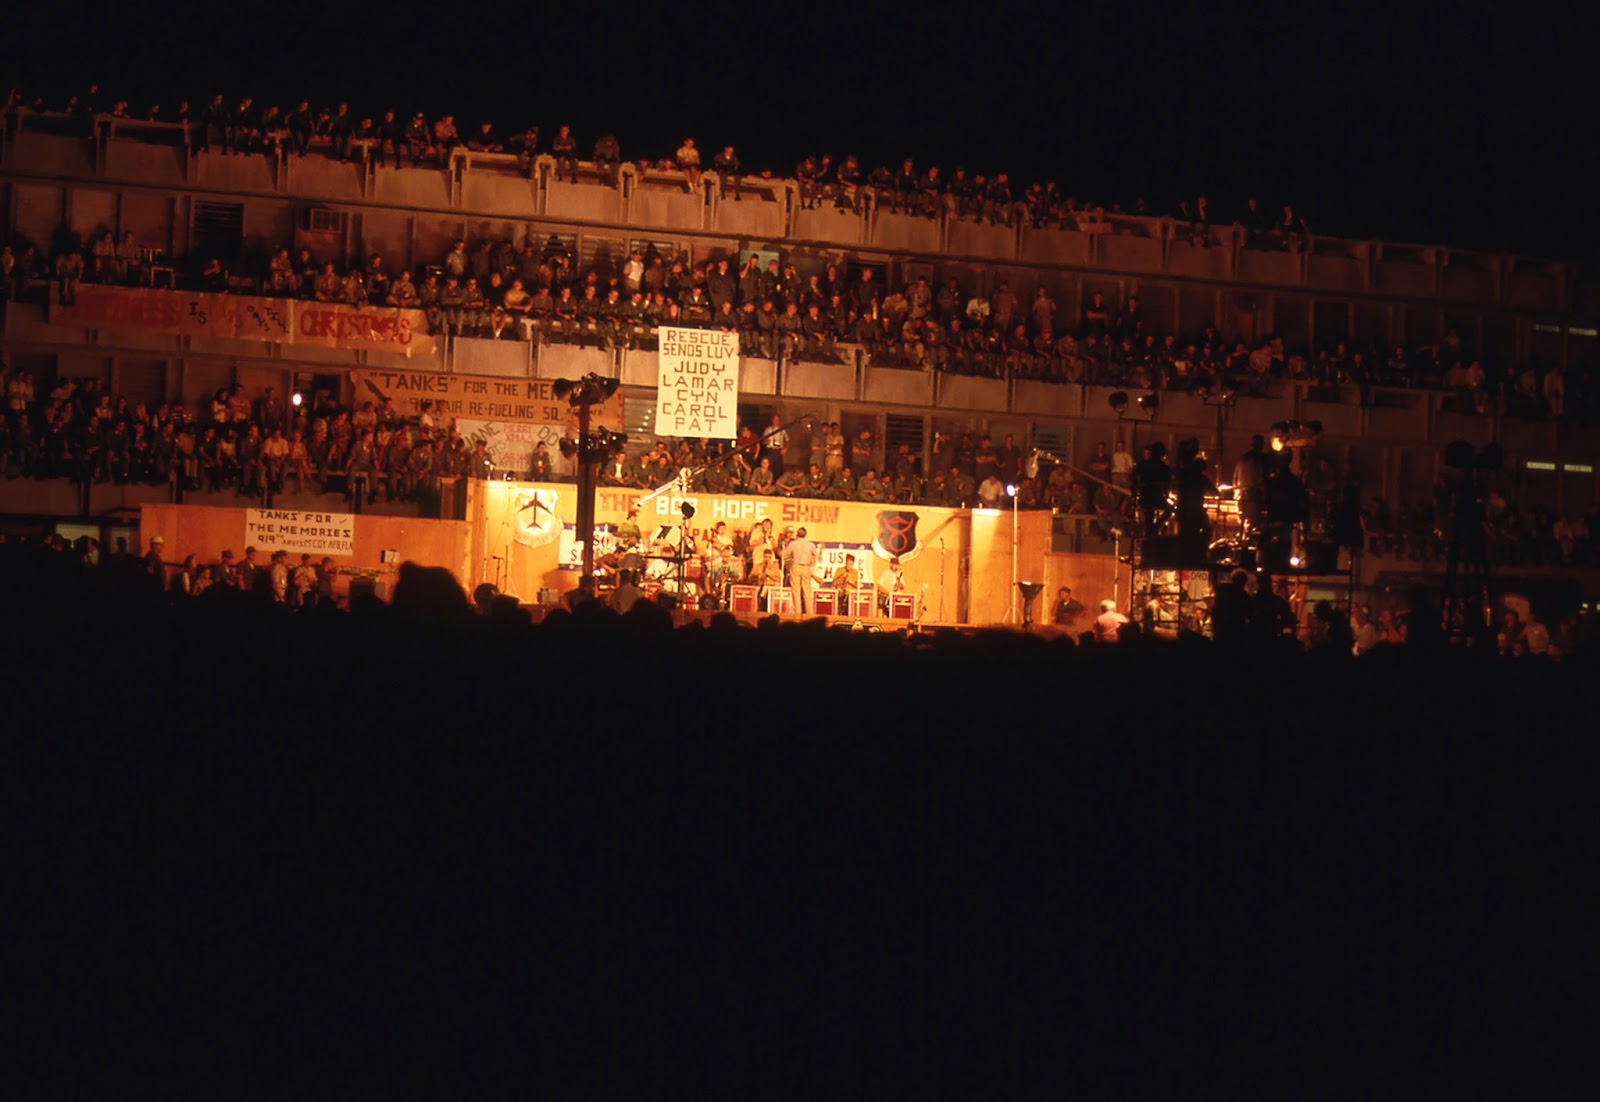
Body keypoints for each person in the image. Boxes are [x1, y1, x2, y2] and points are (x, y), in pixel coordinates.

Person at [783, 526, 819, 614]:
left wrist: (789, 564)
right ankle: (809, 613)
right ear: (805, 535)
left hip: (795, 566)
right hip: (806, 567)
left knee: (796, 591)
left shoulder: (793, 544)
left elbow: (785, 555)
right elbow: (815, 555)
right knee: (807, 591)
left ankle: (798, 612)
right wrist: (811, 563)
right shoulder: (810, 544)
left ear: (797, 534)